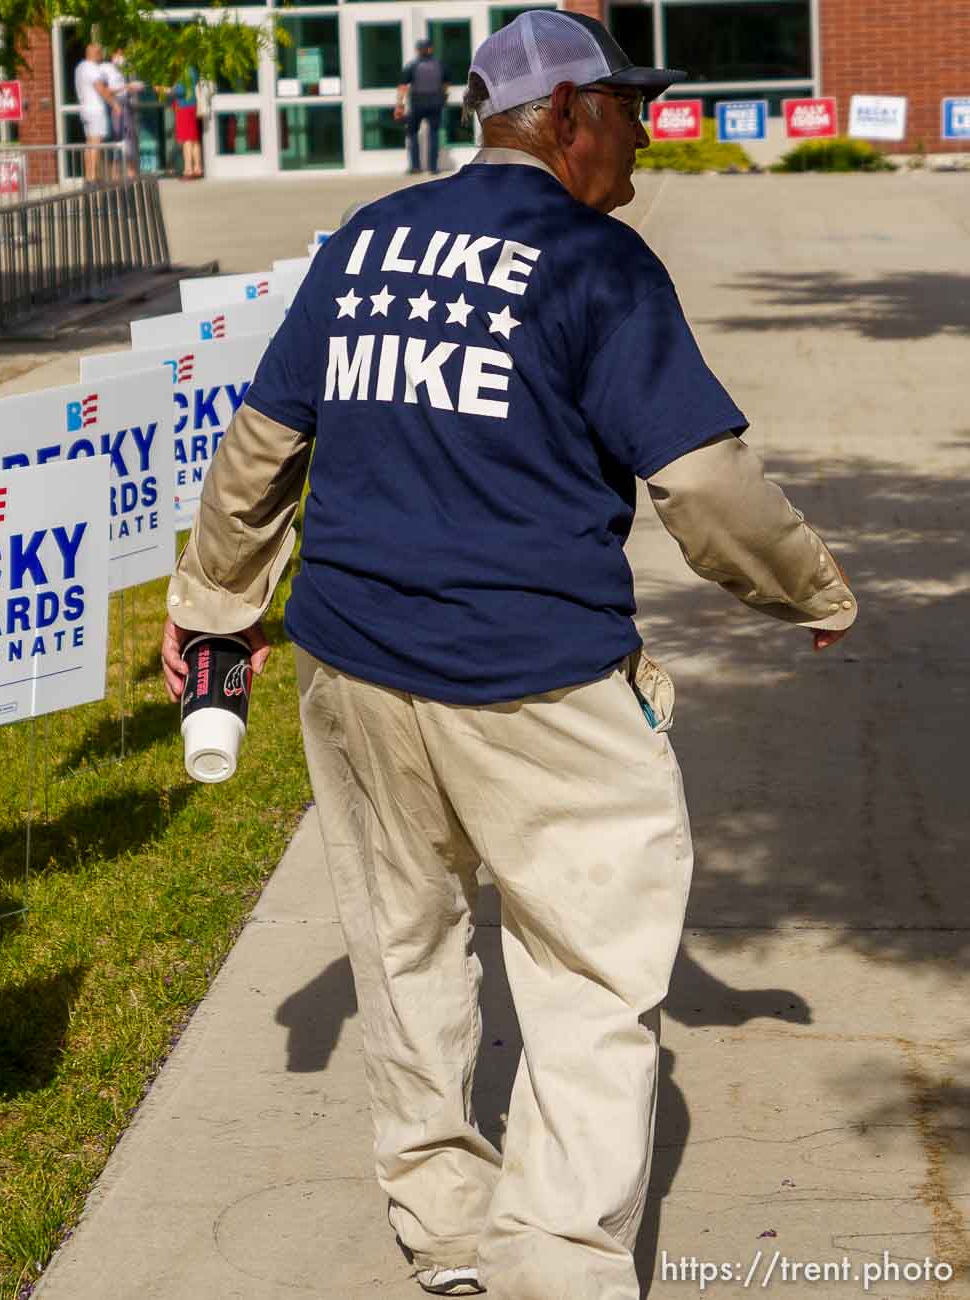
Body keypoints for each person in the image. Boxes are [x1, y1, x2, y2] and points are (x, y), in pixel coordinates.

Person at [160, 10, 856, 1299]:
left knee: (406, 948)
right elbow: (704, 485)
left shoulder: (368, 240)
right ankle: (553, 1269)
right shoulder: (597, 262)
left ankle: (448, 1231)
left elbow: (261, 441)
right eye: (630, 107)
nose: (645, 130)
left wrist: (213, 607)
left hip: (355, 666)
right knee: (592, 973)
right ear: (569, 117)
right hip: (540, 682)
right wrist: (811, 585)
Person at [398, 38, 453, 174]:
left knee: (412, 133)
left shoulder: (412, 66)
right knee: (434, 134)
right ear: (430, 49)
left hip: (417, 103)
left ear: (418, 50)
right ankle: (433, 168)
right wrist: (444, 98)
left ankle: (416, 167)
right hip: (435, 103)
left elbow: (403, 87)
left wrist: (400, 105)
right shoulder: (440, 65)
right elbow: (446, 84)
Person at [73, 42, 117, 183]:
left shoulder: (80, 67)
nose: (102, 56)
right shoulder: (92, 69)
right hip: (95, 109)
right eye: (100, 53)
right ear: (95, 54)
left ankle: (89, 174)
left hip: (84, 108)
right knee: (96, 143)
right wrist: (115, 104)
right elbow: (100, 89)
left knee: (89, 143)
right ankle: (92, 176)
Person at [170, 68, 203, 179]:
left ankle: (188, 170)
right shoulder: (193, 70)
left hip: (184, 107)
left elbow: (180, 90)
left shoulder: (185, 71)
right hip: (192, 106)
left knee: (186, 140)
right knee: (194, 139)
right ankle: (197, 168)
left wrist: (164, 89)